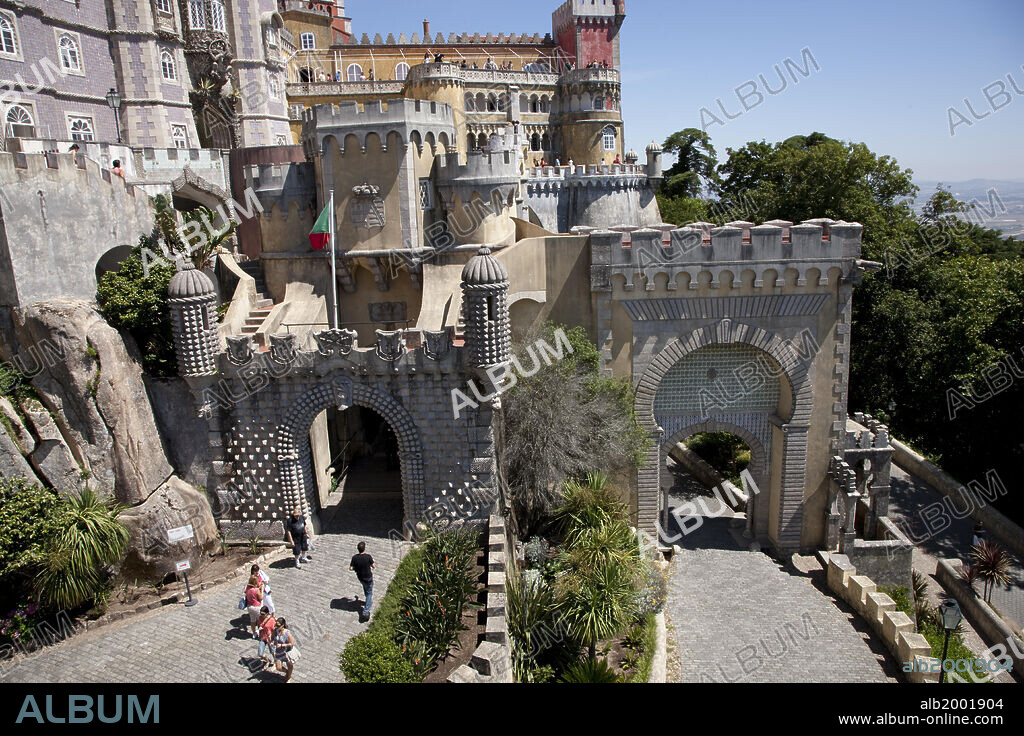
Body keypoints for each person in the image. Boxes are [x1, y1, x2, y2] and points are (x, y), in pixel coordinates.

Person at [350, 541, 376, 622]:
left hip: (360, 577)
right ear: (364, 548)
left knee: (366, 588)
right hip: (368, 577)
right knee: (369, 593)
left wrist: (356, 568)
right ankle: (365, 612)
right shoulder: (368, 557)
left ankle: (367, 601)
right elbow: (374, 566)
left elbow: (350, 568)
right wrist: (372, 561)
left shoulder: (354, 558)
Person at [273, 618, 298, 682]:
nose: (277, 627)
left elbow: (292, 643)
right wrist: (272, 642)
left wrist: (282, 645)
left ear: (283, 625)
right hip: (279, 651)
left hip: (287, 652)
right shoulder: (275, 630)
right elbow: (274, 638)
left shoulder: (287, 633)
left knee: (289, 665)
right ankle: (287, 672)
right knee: (278, 667)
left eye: (278, 626)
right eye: (276, 625)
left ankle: (289, 677)